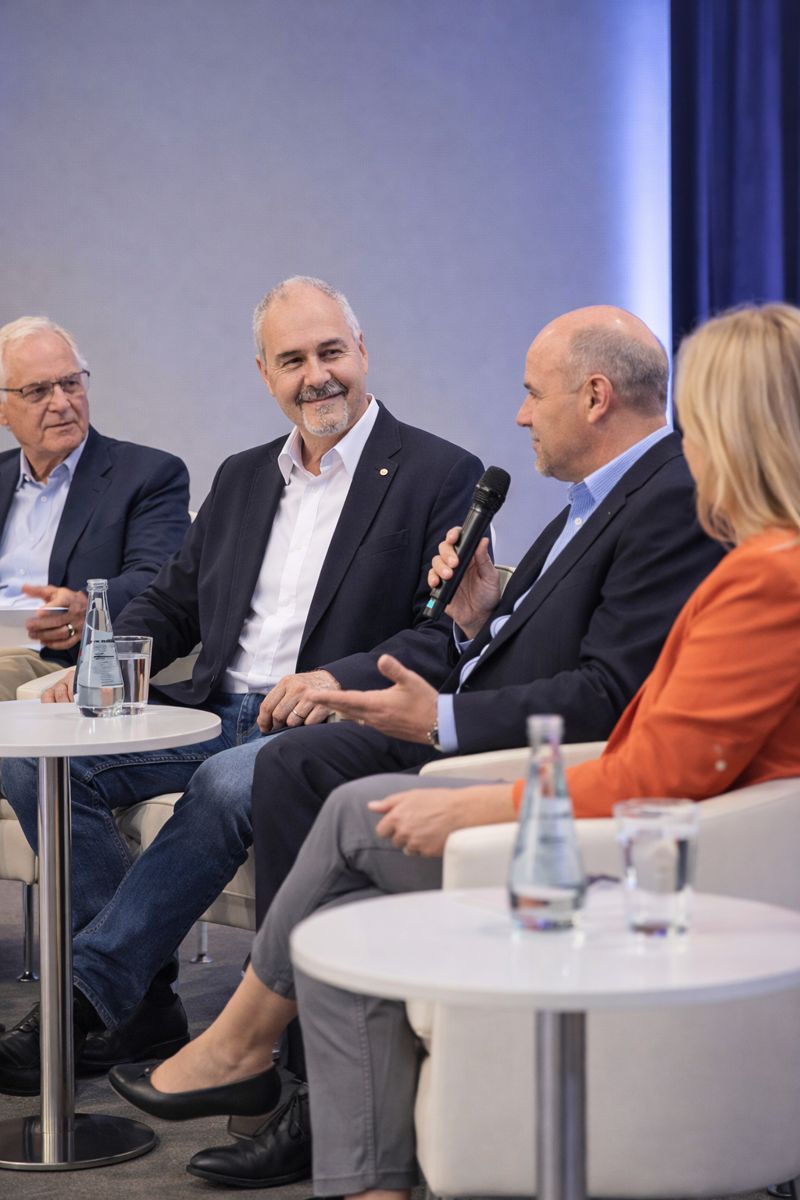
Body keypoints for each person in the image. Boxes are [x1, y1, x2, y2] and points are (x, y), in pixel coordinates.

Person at [111, 301, 800, 1200]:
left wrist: (469, 781)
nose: (519, 414)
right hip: (555, 773)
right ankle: (327, 1129)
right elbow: (594, 684)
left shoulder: (747, 562)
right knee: (317, 795)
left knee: (324, 804)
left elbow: (643, 743)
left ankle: (249, 1055)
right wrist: (474, 622)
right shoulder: (658, 524)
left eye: (531, 393)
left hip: (630, 840)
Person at [0, 277, 483, 1094]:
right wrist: (96, 665)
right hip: (215, 708)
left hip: (328, 723)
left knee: (228, 783)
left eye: (330, 352)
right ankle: (143, 1002)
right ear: (265, 375)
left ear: (363, 353)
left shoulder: (440, 471)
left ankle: (86, 996)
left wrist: (332, 678)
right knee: (36, 762)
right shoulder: (244, 475)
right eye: (292, 361)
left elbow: (441, 635)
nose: (316, 376)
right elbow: (172, 605)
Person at [0, 316, 190, 699]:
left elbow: (159, 581)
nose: (62, 403)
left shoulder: (148, 475)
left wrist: (86, 604)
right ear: (3, 411)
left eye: (71, 383)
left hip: (55, 658)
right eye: (38, 391)